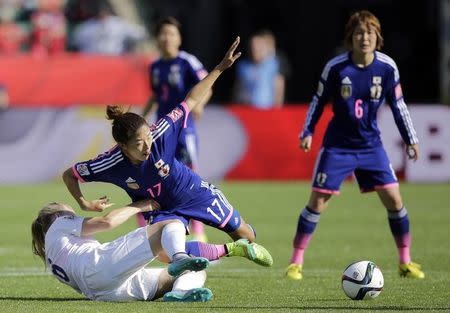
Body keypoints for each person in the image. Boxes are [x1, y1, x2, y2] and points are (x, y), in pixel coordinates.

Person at [62, 36, 273, 268]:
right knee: (164, 253)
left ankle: (239, 244)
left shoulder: (161, 131)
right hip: (160, 207)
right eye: (138, 144)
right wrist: (84, 202)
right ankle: (228, 251)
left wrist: (220, 69)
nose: (147, 146)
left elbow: (191, 99)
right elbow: (70, 175)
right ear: (123, 147)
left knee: (248, 236)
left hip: (193, 191)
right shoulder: (110, 163)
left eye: (147, 137)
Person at [286, 10, 424, 280]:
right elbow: (318, 101)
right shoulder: (337, 68)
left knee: (395, 200)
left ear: (377, 37)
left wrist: (411, 138)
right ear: (351, 37)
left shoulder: (387, 68)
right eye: (360, 33)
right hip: (337, 147)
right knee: (317, 202)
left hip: (371, 146)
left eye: (370, 33)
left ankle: (405, 261)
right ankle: (295, 262)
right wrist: (308, 131)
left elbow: (398, 106)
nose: (365, 38)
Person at [31, 200, 213, 302]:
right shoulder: (58, 223)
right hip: (98, 268)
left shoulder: (51, 255)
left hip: (104, 292)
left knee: (195, 271)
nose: (76, 218)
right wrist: (139, 206)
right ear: (57, 217)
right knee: (171, 223)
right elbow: (107, 222)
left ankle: (181, 293)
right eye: (71, 215)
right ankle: (179, 257)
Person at [142, 16, 211, 240]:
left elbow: (207, 84)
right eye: (163, 33)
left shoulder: (187, 62)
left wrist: (200, 104)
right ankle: (167, 226)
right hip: (162, 132)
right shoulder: (154, 67)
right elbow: (156, 95)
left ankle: (199, 230)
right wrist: (141, 119)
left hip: (184, 129)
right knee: (162, 177)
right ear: (157, 38)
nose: (167, 38)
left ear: (179, 38)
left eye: (171, 33)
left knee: (191, 177)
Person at [233, 29, 286, 108]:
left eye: (259, 46)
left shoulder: (274, 64)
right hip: (246, 109)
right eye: (253, 46)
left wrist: (277, 109)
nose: (255, 49)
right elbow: (238, 89)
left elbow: (279, 87)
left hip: (266, 110)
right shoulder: (243, 66)